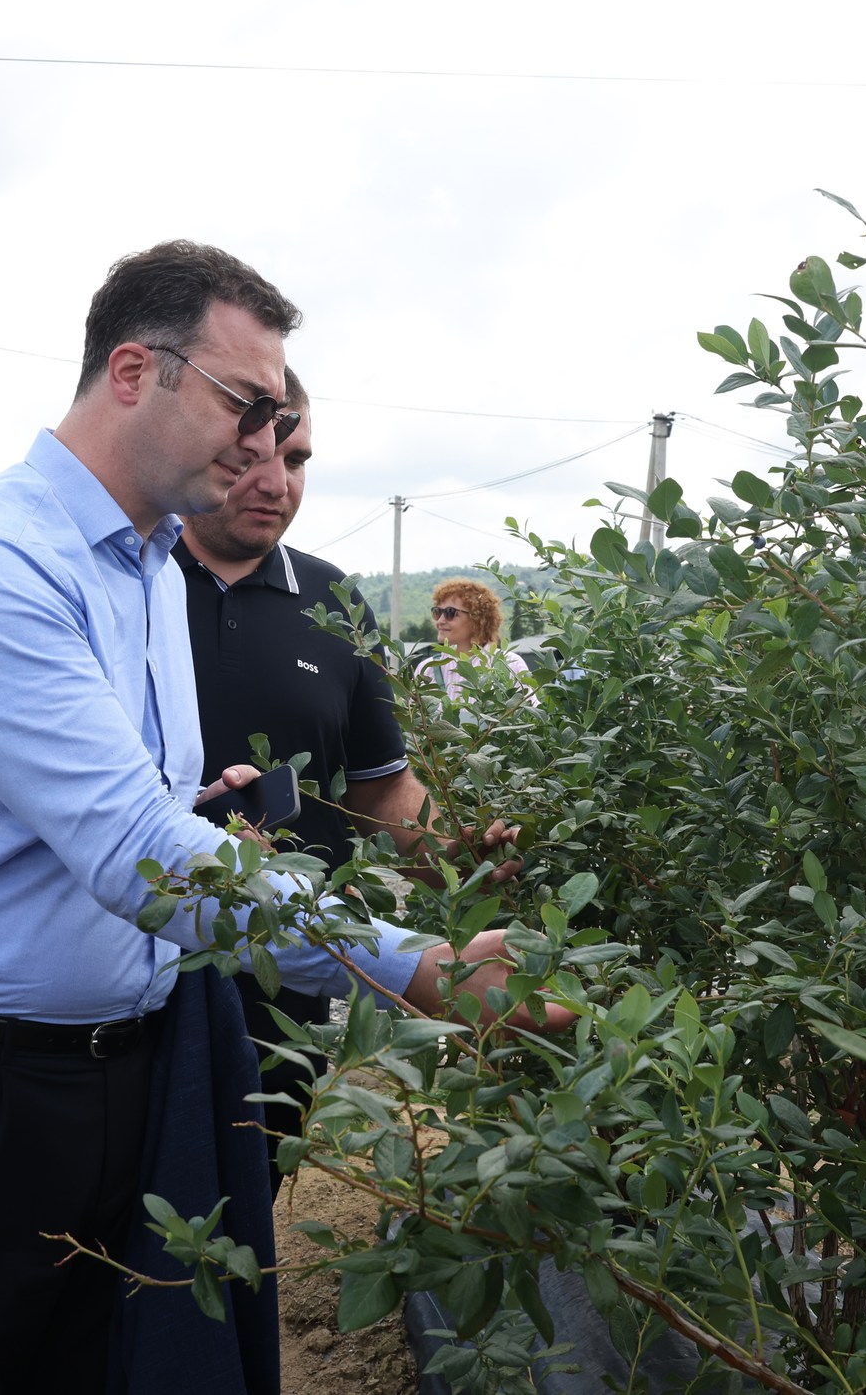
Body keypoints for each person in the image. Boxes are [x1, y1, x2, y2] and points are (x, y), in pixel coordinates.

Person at [0, 240, 565, 1393]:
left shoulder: (149, 568)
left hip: (114, 1071)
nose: (263, 442)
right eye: (243, 403)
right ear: (132, 372)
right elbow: (131, 850)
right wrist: (416, 966)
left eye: (278, 420)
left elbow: (127, 811)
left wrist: (198, 814)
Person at [177, 369, 519, 1191]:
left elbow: (377, 788)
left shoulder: (332, 602)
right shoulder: (128, 581)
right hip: (136, 970)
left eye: (295, 459)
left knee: (252, 1185)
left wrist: (455, 851)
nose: (275, 482)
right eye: (250, 456)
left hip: (288, 979)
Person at [424, 576, 536, 699]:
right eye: (437, 612)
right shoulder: (427, 670)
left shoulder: (510, 665)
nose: (440, 621)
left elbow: (528, 709)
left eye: (450, 612)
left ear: (477, 618)